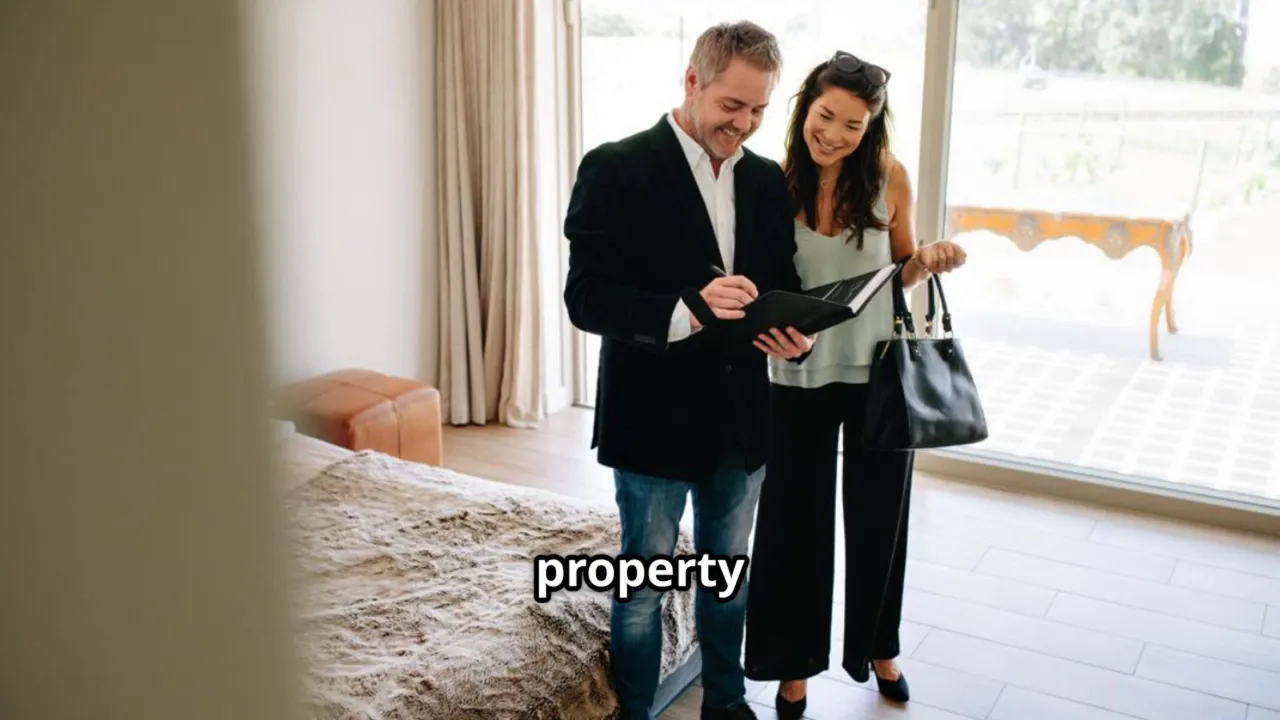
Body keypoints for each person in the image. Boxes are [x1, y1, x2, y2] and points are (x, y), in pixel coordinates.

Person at [562, 21, 816, 720]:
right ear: (692, 81)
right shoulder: (614, 167)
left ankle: (726, 704)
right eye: (732, 105)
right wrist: (688, 310)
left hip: (742, 422)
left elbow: (781, 281)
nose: (745, 124)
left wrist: (796, 336)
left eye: (759, 110)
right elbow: (585, 298)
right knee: (643, 588)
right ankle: (636, 713)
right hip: (652, 420)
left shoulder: (765, 180)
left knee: (726, 579)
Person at [742, 51, 968, 718]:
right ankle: (793, 668)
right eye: (826, 116)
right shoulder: (774, 183)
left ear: (871, 127)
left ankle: (880, 648)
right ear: (804, 109)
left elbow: (901, 269)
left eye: (853, 124)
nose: (834, 134)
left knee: (880, 520)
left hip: (879, 373)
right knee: (792, 526)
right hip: (796, 375)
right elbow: (761, 279)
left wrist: (928, 260)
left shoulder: (889, 177)